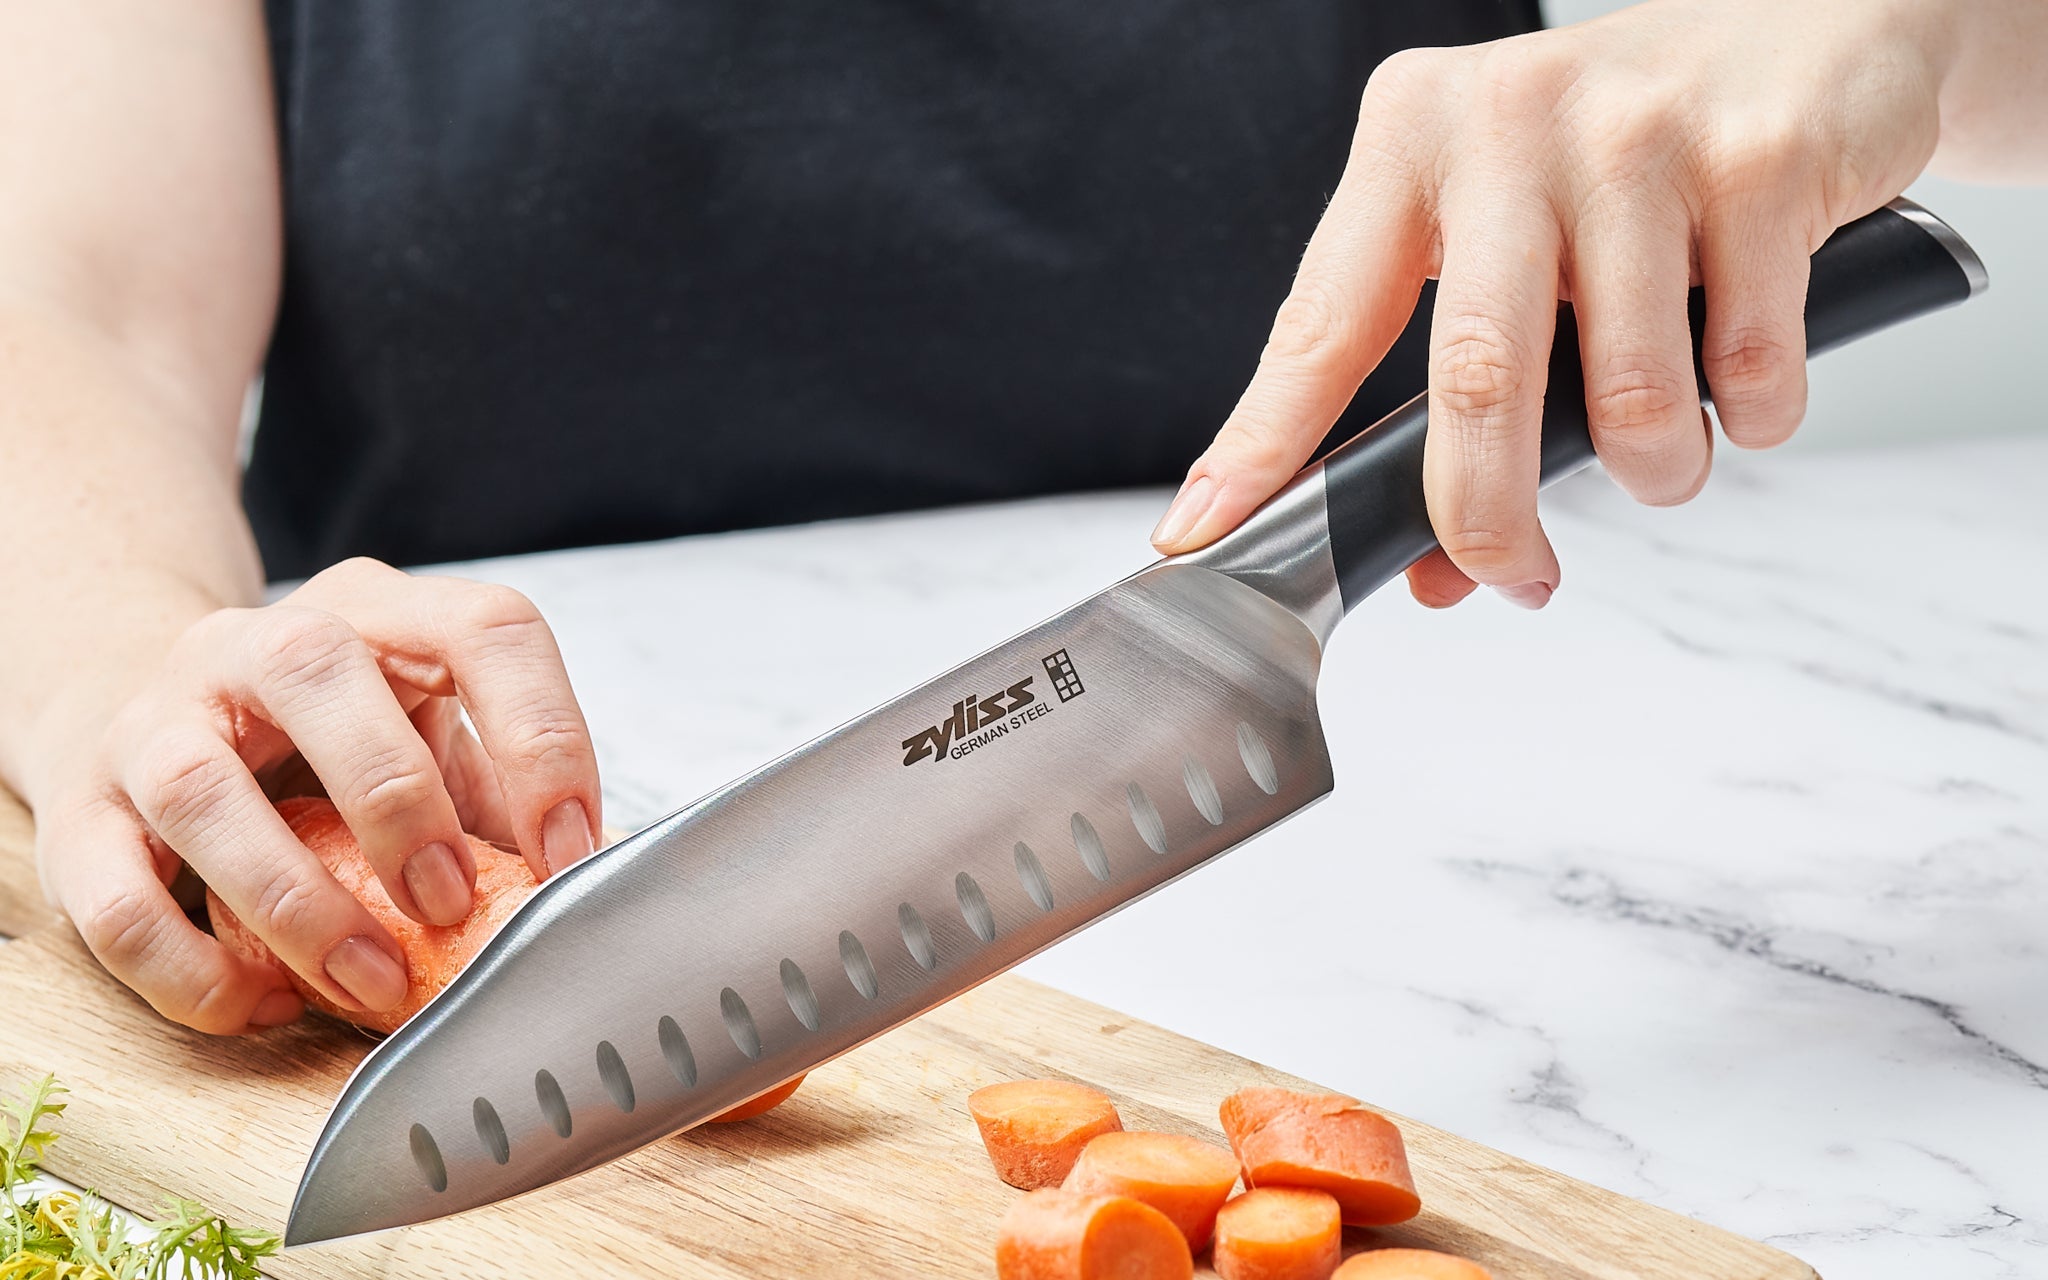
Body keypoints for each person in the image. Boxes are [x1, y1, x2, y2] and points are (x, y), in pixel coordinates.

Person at [0, 2, 2041, 1037]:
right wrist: (115, 645)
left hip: (1487, 845)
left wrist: (1907, 25)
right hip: (482, 868)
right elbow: (62, 298)